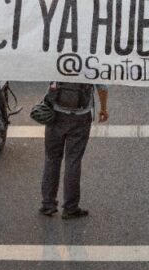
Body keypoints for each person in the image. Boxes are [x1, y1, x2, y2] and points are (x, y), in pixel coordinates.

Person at [40, 82, 109, 219]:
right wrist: (103, 109)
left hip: (55, 114)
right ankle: (70, 207)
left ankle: (48, 204)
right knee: (73, 160)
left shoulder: (56, 59)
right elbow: (102, 87)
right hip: (80, 116)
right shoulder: (91, 60)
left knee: (52, 159)